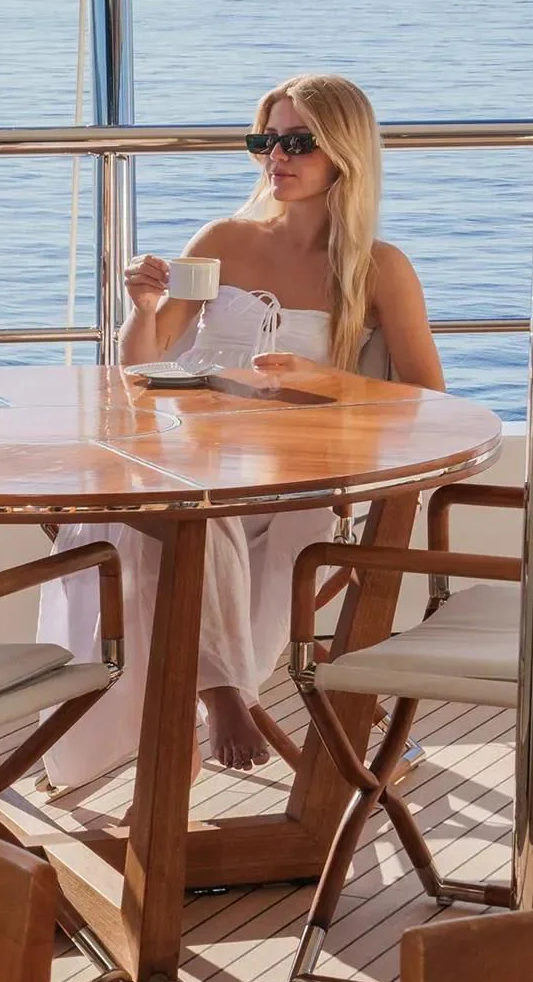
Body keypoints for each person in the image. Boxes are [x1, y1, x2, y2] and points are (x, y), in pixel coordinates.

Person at [41, 71, 444, 788]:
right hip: (197, 459)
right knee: (156, 517)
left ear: (344, 152)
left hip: (299, 480)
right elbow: (140, 368)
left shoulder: (379, 268)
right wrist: (142, 306)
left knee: (183, 520)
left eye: (297, 142)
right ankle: (221, 693)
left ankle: (205, 707)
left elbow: (427, 399)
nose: (276, 157)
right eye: (266, 140)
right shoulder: (224, 237)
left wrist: (320, 382)